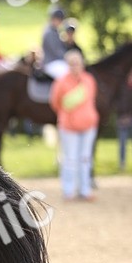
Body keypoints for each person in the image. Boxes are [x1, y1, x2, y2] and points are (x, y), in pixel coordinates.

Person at [49, 50, 99, 201]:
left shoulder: (89, 80)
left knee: (85, 159)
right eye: (72, 63)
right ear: (67, 65)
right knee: (70, 159)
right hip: (69, 127)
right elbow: (55, 102)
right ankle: (68, 190)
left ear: (82, 64)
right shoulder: (61, 82)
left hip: (89, 126)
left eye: (77, 63)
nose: (75, 66)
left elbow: (92, 99)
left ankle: (85, 190)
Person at [41, 6, 70, 79]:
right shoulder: (49, 32)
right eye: (58, 19)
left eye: (60, 20)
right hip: (51, 63)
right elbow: (56, 51)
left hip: (57, 61)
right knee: (67, 74)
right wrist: (69, 57)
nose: (59, 22)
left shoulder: (55, 31)